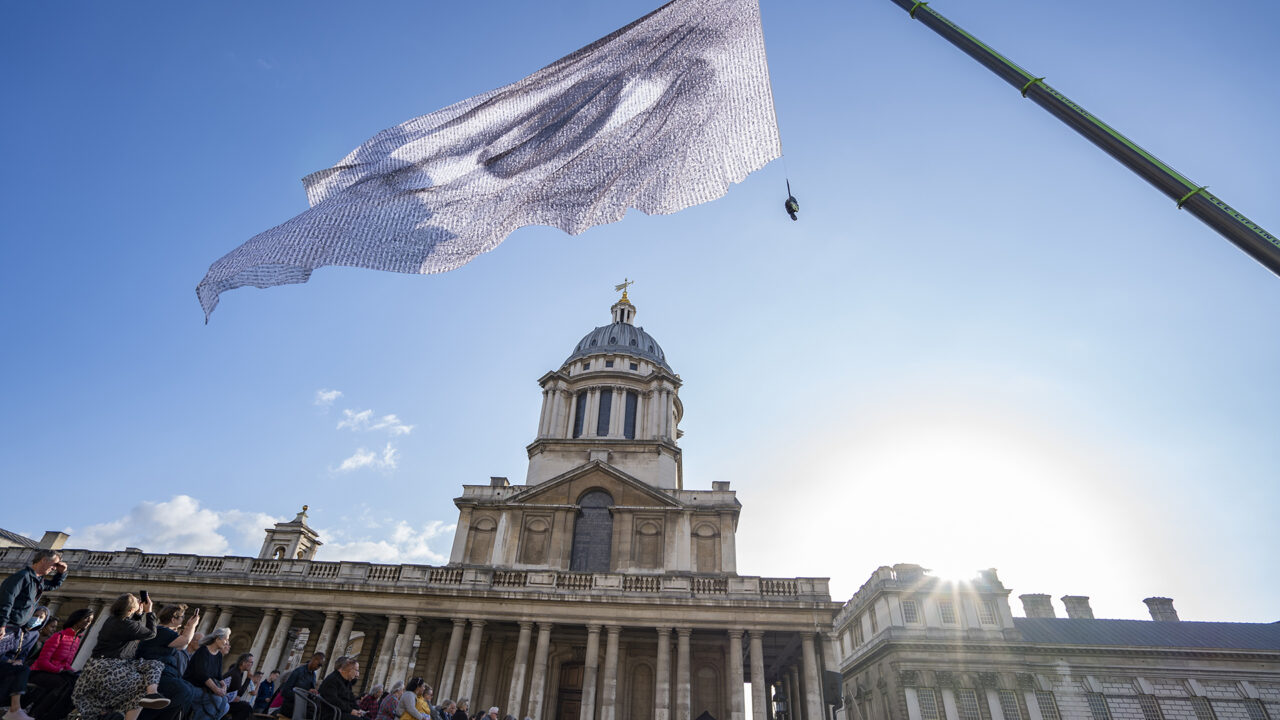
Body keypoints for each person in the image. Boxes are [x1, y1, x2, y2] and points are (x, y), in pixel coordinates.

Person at [72, 593, 169, 720]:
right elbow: (150, 634)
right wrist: (149, 612)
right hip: (109, 667)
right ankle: (147, 696)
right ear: (130, 610)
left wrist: (139, 615)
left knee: (155, 665)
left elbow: (132, 631)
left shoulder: (112, 620)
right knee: (141, 684)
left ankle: (153, 694)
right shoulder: (127, 625)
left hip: (101, 665)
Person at [26, 607, 95, 720]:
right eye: (86, 618)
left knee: (77, 685)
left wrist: (74, 673)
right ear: (77, 619)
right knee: (63, 685)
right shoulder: (59, 636)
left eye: (91, 620)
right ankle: (39, 714)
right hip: (39, 672)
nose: (88, 622)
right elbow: (42, 662)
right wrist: (59, 670)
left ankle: (57, 715)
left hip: (57, 674)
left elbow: (66, 664)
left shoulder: (76, 640)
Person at [137, 604, 199, 720]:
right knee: (182, 690)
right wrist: (192, 625)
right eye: (181, 617)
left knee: (189, 689)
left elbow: (180, 647)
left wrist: (188, 627)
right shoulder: (162, 631)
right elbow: (184, 643)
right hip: (155, 675)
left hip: (163, 673)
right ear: (173, 619)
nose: (183, 620)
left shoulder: (163, 631)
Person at [0, 551, 66, 645]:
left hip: (16, 628)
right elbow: (6, 600)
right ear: (43, 560)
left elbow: (53, 585)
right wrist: (2, 624)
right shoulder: (22, 576)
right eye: (54, 564)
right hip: (7, 626)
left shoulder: (38, 581)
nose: (54, 568)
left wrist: (61, 573)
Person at [0, 606, 47, 720]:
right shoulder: (15, 628)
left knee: (21, 670)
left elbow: (24, 654)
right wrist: (8, 660)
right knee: (23, 670)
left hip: (12, 665)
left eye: (41, 617)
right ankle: (15, 709)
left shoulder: (34, 634)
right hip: (3, 660)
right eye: (36, 615)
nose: (37, 619)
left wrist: (19, 660)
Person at [183, 628, 231, 720]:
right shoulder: (203, 651)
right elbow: (202, 675)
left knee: (225, 703)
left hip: (205, 689)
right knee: (216, 700)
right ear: (217, 639)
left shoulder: (219, 655)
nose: (226, 642)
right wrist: (216, 689)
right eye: (226, 639)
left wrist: (224, 687)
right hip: (191, 686)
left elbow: (219, 676)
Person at [276, 652, 324, 719]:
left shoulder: (313, 675)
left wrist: (311, 693)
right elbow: (285, 691)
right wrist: (304, 694)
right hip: (288, 712)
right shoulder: (298, 671)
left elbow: (308, 694)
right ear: (313, 659)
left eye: (321, 666)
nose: (319, 667)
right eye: (319, 664)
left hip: (299, 713)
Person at [223, 653, 255, 720]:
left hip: (226, 700)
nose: (252, 665)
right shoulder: (235, 674)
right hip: (222, 702)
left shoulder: (238, 672)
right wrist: (248, 678)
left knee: (245, 705)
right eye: (251, 662)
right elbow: (239, 693)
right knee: (245, 707)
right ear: (243, 662)